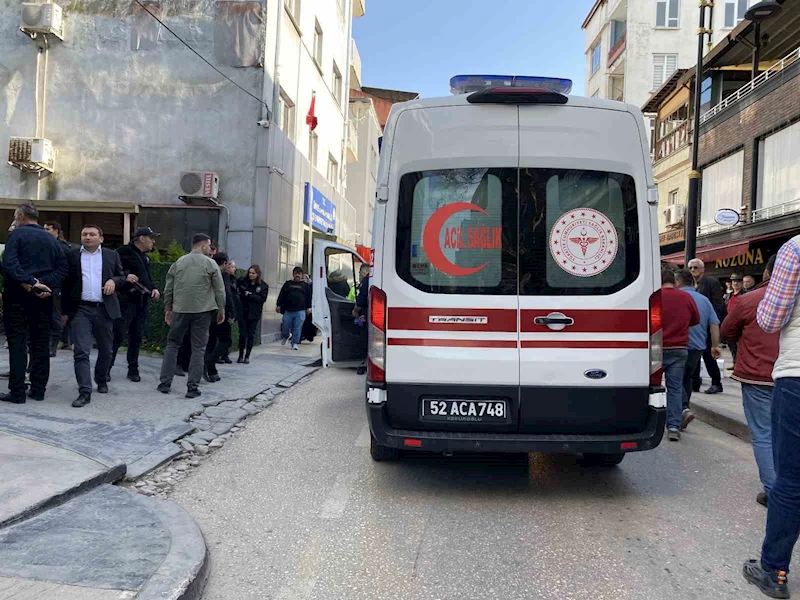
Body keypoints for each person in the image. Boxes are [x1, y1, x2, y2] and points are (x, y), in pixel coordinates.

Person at [743, 237, 800, 599]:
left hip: (798, 376)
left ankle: (774, 571)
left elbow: (770, 318)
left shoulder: (795, 249)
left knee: (792, 480)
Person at [722, 255, 779, 509]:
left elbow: (727, 332)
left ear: (766, 273)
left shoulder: (749, 300)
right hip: (792, 376)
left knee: (764, 434)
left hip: (758, 375)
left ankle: (776, 493)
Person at [0, 204, 67, 404]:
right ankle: (38, 390)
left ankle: (18, 392)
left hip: (17, 297)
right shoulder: (52, 240)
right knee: (40, 345)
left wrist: (31, 282)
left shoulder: (16, 236)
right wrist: (45, 286)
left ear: (20, 216)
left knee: (18, 344)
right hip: (44, 299)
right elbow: (63, 269)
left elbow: (10, 264)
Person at [61, 225, 129, 408]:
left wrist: (113, 281)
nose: (88, 237)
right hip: (81, 309)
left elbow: (122, 276)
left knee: (106, 350)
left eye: (92, 234)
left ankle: (101, 378)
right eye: (84, 234)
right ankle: (85, 391)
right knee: (81, 351)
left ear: (101, 238)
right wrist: (64, 311)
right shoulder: (73, 255)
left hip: (104, 309)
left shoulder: (111, 255)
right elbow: (66, 283)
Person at [158, 234, 225, 399]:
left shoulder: (179, 262)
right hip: (202, 311)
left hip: (180, 309)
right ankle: (192, 387)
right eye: (209, 246)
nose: (210, 249)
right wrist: (221, 309)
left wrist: (168, 308)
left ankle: (165, 383)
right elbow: (219, 290)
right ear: (203, 246)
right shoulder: (211, 264)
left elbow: (169, 288)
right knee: (199, 348)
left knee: (173, 345)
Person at [111, 227, 161, 382]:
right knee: (117, 335)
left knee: (137, 336)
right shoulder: (123, 251)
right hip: (126, 300)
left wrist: (153, 288)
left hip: (141, 301)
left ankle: (133, 369)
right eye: (151, 238)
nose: (153, 242)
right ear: (141, 238)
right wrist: (125, 276)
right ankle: (106, 368)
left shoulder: (144, 257)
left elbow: (147, 277)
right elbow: (111, 270)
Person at [674, 268, 721, 430]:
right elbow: (714, 323)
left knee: (676, 379)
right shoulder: (704, 300)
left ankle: (682, 409)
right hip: (697, 347)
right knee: (687, 378)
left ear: (678, 282)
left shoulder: (678, 298)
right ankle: (684, 407)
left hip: (678, 345)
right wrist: (715, 345)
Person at [661, 269, 700, 442]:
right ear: (675, 282)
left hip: (656, 348)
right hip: (679, 348)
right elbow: (695, 320)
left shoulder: (654, 296)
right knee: (675, 388)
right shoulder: (686, 297)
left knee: (649, 386)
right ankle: (674, 426)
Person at [688, 258, 726, 394]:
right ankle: (695, 382)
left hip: (708, 325)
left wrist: (713, 324)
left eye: (695, 267)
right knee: (695, 354)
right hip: (695, 326)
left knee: (709, 355)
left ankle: (716, 383)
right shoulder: (692, 284)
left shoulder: (711, 282)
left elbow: (718, 305)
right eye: (691, 268)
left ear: (702, 269)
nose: (693, 270)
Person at [43, 221, 74, 357]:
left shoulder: (63, 247)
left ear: (56, 231)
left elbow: (66, 270)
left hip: (57, 287)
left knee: (56, 316)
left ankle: (53, 345)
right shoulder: (43, 245)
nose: (45, 232)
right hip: (44, 284)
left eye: (47, 229)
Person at [204, 253, 236, 382]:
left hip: (208, 310)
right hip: (220, 313)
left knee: (211, 341)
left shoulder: (208, 272)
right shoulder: (222, 275)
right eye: (227, 264)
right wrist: (231, 313)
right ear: (223, 264)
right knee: (226, 341)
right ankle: (209, 362)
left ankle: (211, 370)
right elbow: (225, 295)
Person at [237, 264, 268, 364]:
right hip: (243, 311)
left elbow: (261, 299)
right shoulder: (243, 281)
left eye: (253, 273)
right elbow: (239, 292)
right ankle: (240, 355)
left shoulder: (263, 286)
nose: (251, 275)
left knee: (251, 334)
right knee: (242, 334)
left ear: (257, 274)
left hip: (254, 313)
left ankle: (247, 356)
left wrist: (250, 295)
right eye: (250, 273)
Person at [277, 266, 311, 351]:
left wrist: (309, 307)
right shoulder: (288, 284)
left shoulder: (305, 286)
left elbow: (309, 297)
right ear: (293, 274)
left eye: (299, 273)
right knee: (285, 325)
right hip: (288, 310)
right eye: (296, 273)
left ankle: (295, 343)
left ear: (302, 275)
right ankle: (286, 335)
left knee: (297, 328)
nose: (297, 275)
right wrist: (278, 305)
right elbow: (281, 295)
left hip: (300, 310)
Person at [725, 273, 748, 365]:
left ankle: (740, 364)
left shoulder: (745, 294)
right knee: (731, 345)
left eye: (738, 281)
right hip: (730, 322)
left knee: (740, 346)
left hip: (740, 323)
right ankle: (735, 363)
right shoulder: (728, 295)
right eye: (734, 281)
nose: (736, 283)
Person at [352, 263, 370, 375]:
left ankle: (363, 364)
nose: (359, 275)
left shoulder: (366, 280)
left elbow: (361, 298)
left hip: (367, 314)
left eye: (360, 272)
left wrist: (355, 312)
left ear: (364, 271)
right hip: (372, 314)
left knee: (365, 340)